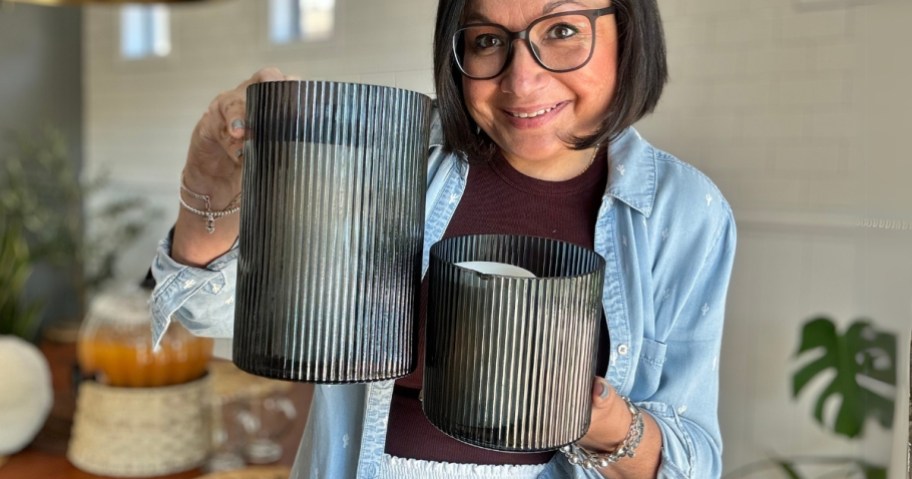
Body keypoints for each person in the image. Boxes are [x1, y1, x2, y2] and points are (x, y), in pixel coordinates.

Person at [149, 0, 736, 477]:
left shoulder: (683, 213)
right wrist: (206, 183)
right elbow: (211, 310)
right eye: (486, 40)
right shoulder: (393, 155)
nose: (521, 81)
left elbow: (691, 463)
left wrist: (591, 415)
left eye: (561, 30)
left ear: (628, 30)